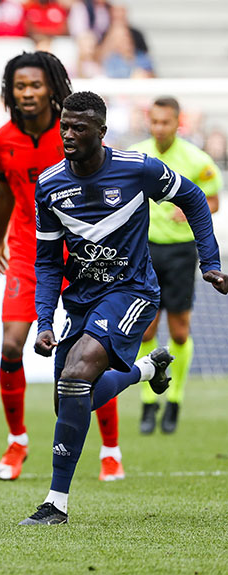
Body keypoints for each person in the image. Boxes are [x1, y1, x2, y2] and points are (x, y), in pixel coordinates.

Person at [20, 91, 228, 525]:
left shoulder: (139, 169)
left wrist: (210, 262)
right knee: (71, 401)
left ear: (101, 131)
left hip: (132, 291)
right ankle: (146, 371)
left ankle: (55, 503)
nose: (69, 135)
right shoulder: (49, 184)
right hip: (80, 300)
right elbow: (45, 259)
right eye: (64, 127)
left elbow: (192, 197)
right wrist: (43, 320)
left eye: (79, 128)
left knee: (77, 374)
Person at [0, 51, 123, 483]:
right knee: (12, 345)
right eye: (19, 86)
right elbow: (5, 188)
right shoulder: (1, 139)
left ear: (52, 88)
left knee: (93, 352)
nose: (27, 93)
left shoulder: (74, 133)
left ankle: (111, 450)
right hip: (29, 250)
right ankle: (17, 441)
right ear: (10, 91)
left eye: (36, 85)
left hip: (82, 250)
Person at [130, 97, 222, 434]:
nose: (159, 128)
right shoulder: (137, 155)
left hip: (183, 252)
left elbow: (212, 198)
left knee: (180, 331)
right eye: (154, 122)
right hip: (145, 250)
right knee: (147, 328)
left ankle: (176, 399)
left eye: (165, 122)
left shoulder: (196, 160)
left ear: (177, 123)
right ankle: (147, 402)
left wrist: (195, 209)